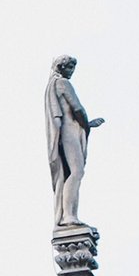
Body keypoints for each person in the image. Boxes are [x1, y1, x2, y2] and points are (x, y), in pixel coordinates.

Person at [44, 57, 104, 226]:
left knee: (73, 172)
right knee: (76, 171)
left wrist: (88, 125)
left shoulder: (53, 85)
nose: (71, 70)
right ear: (60, 67)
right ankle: (68, 215)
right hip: (69, 133)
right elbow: (77, 108)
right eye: (69, 67)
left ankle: (69, 213)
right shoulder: (62, 83)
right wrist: (87, 123)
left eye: (73, 67)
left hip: (68, 131)